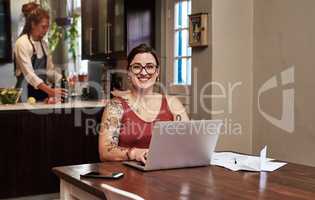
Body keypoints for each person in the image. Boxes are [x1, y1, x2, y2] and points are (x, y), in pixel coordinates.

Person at [99, 43, 189, 164]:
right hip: (126, 178)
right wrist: (134, 153)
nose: (143, 72)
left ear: (157, 72)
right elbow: (105, 152)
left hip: (164, 175)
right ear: (129, 73)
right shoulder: (115, 106)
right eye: (137, 67)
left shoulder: (172, 104)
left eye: (150, 66)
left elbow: (188, 144)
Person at [14, 7, 66, 101]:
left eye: (47, 27)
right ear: (33, 24)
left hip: (41, 95)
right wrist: (50, 91)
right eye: (43, 26)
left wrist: (63, 79)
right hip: (24, 95)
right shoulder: (22, 43)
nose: (46, 30)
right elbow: (29, 75)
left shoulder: (44, 45)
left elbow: (49, 71)